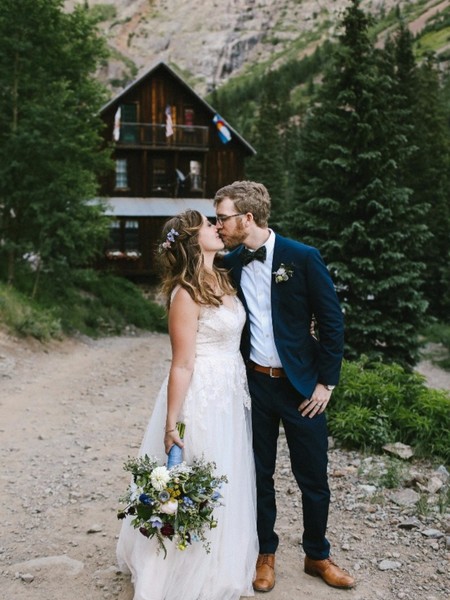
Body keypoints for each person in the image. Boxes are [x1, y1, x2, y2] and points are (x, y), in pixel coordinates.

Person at [214, 181, 355, 591]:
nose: (218, 224)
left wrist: (326, 383)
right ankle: (265, 554)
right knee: (258, 475)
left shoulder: (303, 257)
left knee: (313, 476)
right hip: (254, 386)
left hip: (302, 389)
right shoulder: (230, 264)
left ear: (247, 218)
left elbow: (332, 323)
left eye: (222, 217)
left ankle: (317, 554)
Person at [116, 209, 258, 600]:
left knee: (227, 472)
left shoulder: (223, 278)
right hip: (202, 394)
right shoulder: (185, 293)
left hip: (230, 391)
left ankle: (222, 566)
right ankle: (179, 573)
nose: (217, 226)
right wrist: (171, 423)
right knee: (198, 470)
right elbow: (181, 363)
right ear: (193, 242)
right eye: (208, 225)